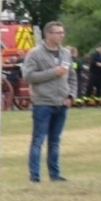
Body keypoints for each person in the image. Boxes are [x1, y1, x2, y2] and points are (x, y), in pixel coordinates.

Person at [21, 21, 76, 183]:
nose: (62, 35)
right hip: (43, 103)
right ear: (48, 35)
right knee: (38, 140)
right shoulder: (35, 53)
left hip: (61, 103)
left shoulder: (66, 53)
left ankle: (55, 174)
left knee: (55, 141)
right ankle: (35, 176)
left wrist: (71, 95)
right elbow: (28, 76)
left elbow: (72, 76)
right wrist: (53, 72)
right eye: (58, 32)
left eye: (62, 32)